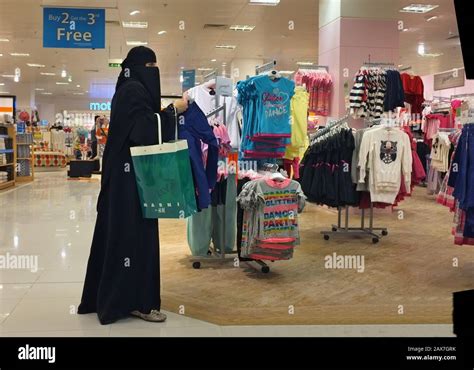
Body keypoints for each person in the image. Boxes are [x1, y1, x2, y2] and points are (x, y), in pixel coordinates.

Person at [78, 46, 188, 324]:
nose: (154, 72)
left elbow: (139, 125)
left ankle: (124, 297)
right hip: (129, 184)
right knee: (133, 238)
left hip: (127, 180)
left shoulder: (129, 89)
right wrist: (175, 110)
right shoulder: (132, 91)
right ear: (139, 68)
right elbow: (142, 131)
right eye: (151, 66)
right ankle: (135, 301)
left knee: (124, 236)